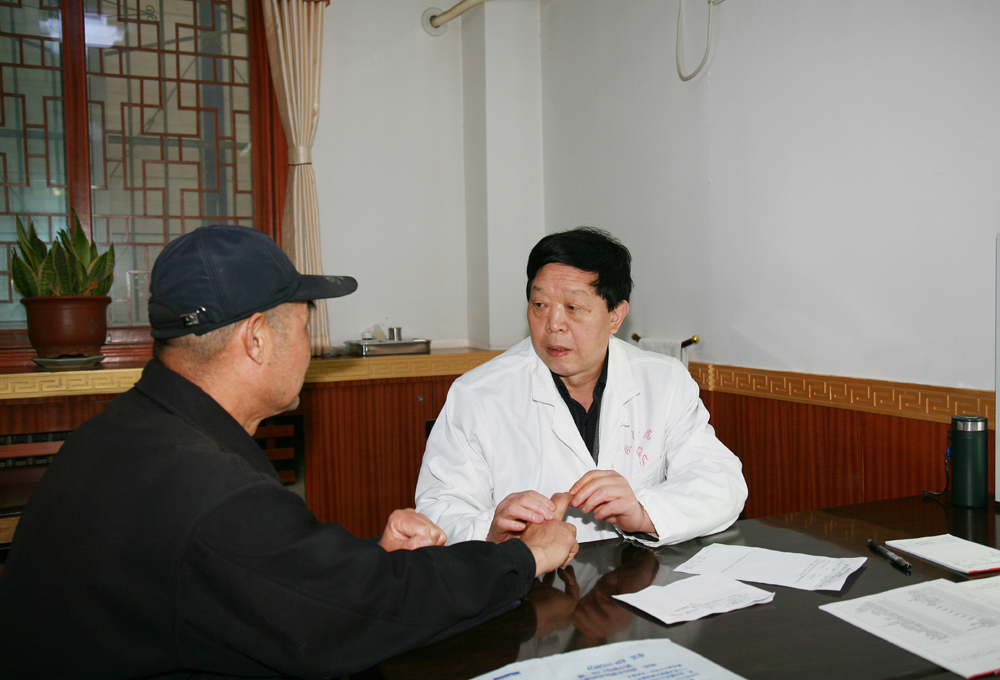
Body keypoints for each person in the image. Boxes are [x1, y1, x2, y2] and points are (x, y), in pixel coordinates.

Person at [0, 224, 578, 680]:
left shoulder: (125, 433)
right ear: (256, 339)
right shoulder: (212, 491)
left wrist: (371, 562)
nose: (310, 347)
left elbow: (266, 584)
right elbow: (356, 614)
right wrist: (524, 557)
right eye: (304, 326)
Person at [415, 227, 747, 546]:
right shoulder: (477, 394)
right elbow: (437, 512)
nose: (553, 325)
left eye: (573, 308)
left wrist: (644, 512)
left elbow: (721, 483)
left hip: (635, 575)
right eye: (539, 305)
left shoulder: (664, 381)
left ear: (615, 316)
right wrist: (491, 529)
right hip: (529, 575)